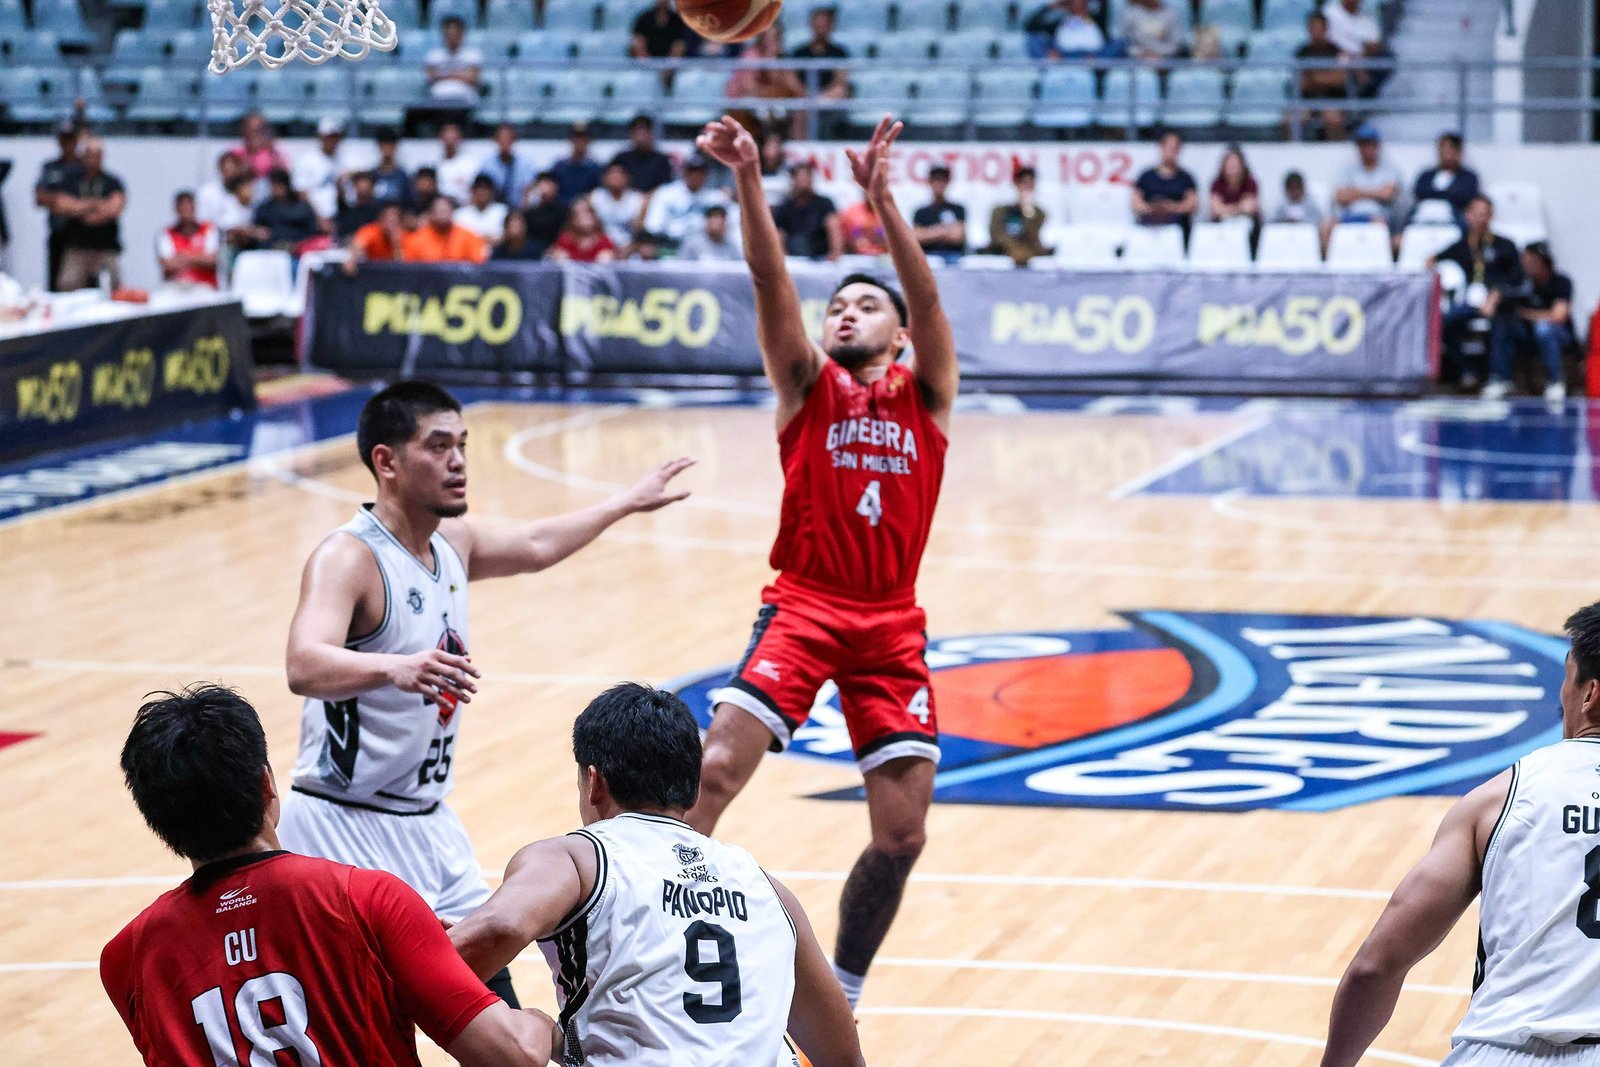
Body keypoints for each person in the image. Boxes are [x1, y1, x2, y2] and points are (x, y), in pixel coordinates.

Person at [281, 381, 692, 1008]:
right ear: (386, 462)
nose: (459, 461)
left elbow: (533, 546)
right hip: (342, 823)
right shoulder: (349, 556)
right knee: (362, 1012)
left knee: (490, 1005)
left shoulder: (453, 543)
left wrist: (626, 503)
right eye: (438, 445)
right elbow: (303, 663)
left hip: (428, 823)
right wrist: (393, 668)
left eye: (463, 445)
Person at [689, 113, 959, 1012]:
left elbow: (929, 302)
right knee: (711, 776)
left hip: (891, 620)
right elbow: (771, 279)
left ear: (899, 334)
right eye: (837, 302)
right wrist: (750, 180)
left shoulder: (928, 392)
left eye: (865, 303)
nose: (846, 309)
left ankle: (841, 988)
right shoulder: (807, 385)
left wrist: (884, 202)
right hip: (805, 605)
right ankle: (642, 940)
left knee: (902, 831)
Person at [100, 685, 556, 1067]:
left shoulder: (125, 959)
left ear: (156, 819)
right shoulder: (368, 899)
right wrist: (547, 1027)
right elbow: (513, 1055)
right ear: (267, 786)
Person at [450, 683, 866, 1067]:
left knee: (524, 1032)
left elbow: (499, 926)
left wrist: (426, 957)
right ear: (694, 789)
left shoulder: (577, 857)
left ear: (594, 782)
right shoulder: (768, 888)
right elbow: (843, 1056)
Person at [1321, 600, 1600, 1067]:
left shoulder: (1500, 797)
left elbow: (1377, 965)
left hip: (1504, 1052)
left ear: (1590, 693)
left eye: (1566, 677)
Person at [1430, 194, 1523, 396]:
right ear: (1467, 216)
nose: (1481, 218)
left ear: (1491, 216)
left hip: (1498, 302)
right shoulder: (1461, 245)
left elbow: (1517, 278)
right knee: (1445, 322)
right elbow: (1433, 260)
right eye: (1477, 214)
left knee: (1502, 322)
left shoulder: (1505, 245)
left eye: (1485, 214)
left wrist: (1495, 296)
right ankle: (1467, 371)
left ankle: (1500, 377)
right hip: (1471, 302)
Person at [1502, 242, 1574, 402]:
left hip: (1559, 336)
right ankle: (1502, 379)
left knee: (1544, 328)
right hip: (1527, 335)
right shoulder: (1521, 282)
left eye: (1530, 260)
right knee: (1505, 325)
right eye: (1524, 261)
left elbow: (1558, 316)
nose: (1526, 265)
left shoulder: (1561, 282)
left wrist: (1525, 314)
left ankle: (1555, 381)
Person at [54, 137, 127, 291]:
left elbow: (114, 209)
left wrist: (80, 209)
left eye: (97, 154)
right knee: (67, 287)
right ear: (83, 156)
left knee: (115, 290)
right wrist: (95, 204)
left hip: (105, 247)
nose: (93, 158)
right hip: (76, 246)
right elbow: (62, 205)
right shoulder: (70, 181)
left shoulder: (112, 182)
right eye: (90, 154)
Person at [728, 26, 809, 140]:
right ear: (760, 38)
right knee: (765, 112)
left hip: (775, 102)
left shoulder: (782, 58)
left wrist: (776, 64)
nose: (771, 41)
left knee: (799, 109)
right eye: (768, 37)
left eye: (775, 37)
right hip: (744, 104)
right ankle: (761, 148)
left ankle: (798, 150)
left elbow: (798, 90)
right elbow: (750, 90)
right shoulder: (751, 55)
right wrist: (779, 92)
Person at [643, 156, 730, 249]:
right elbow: (652, 226)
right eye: (691, 171)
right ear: (683, 173)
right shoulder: (666, 193)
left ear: (706, 175)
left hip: (704, 248)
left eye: (700, 172)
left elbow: (732, 229)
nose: (695, 175)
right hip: (670, 246)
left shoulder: (716, 198)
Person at [1332, 123, 1401, 228]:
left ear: (1377, 145)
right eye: (1363, 144)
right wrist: (1376, 192)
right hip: (1351, 215)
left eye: (1370, 144)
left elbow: (1387, 194)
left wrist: (1355, 192)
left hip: (1379, 215)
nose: (1367, 148)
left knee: (1379, 225)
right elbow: (1340, 196)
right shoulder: (1347, 168)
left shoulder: (1390, 168)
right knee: (1327, 226)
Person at [1132, 130, 1197, 237]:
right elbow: (1136, 203)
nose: (1172, 151)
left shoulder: (1186, 178)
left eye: (1175, 148)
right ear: (1161, 148)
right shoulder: (1146, 176)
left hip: (1177, 227)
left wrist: (1171, 208)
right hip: (1148, 226)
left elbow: (1192, 204)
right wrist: (1154, 208)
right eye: (1169, 147)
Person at [772, 161, 842, 261]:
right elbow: (779, 236)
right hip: (794, 257)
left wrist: (834, 253)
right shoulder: (785, 207)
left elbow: (834, 229)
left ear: (811, 179)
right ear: (793, 180)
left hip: (820, 256)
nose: (803, 182)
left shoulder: (825, 203)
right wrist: (783, 258)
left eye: (806, 178)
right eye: (800, 178)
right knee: (798, 242)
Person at [293, 116, 357, 224]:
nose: (332, 141)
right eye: (328, 137)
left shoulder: (344, 159)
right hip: (312, 219)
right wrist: (319, 219)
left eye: (335, 137)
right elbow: (302, 193)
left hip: (339, 216)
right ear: (320, 137)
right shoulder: (306, 160)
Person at [1295, 13, 1349, 140]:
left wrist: (1314, 77)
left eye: (1319, 28)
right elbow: (1302, 83)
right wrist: (1328, 77)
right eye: (1313, 28)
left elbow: (1340, 79)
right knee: (1290, 119)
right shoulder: (1300, 53)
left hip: (1333, 100)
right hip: (1307, 101)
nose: (1316, 32)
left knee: (1332, 118)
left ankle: (1336, 152)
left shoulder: (1338, 52)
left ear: (1326, 29)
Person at [1411, 132, 1481, 227]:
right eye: (1444, 149)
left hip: (1455, 216)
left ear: (1459, 152)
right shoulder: (1427, 175)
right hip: (1425, 214)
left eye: (1451, 149)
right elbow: (1419, 192)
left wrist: (1436, 194)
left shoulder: (1469, 177)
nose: (1447, 154)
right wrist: (1447, 194)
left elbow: (1465, 197)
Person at [1321, 0, 1388, 95]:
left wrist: (1356, 57)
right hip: (1335, 55)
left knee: (1386, 58)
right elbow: (1324, 38)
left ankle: (1366, 97)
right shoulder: (1330, 12)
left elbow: (1375, 44)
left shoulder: (1368, 15)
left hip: (1362, 59)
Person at [790, 5, 851, 109]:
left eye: (824, 24)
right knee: (796, 100)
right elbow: (791, 79)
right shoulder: (799, 52)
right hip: (804, 99)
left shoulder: (840, 52)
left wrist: (821, 98)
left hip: (830, 99)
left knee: (841, 90)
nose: (820, 28)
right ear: (811, 25)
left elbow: (841, 79)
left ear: (831, 26)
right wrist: (808, 95)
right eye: (818, 24)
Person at [157, 191, 220, 291]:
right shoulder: (166, 234)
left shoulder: (208, 229)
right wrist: (199, 257)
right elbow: (168, 265)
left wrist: (185, 257)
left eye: (189, 206)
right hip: (177, 287)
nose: (186, 210)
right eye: (182, 206)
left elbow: (212, 260)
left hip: (205, 286)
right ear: (176, 209)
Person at [248, 168, 321, 254]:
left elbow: (311, 232)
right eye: (274, 185)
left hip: (299, 251)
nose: (277, 189)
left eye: (279, 185)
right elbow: (258, 232)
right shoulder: (264, 209)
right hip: (271, 252)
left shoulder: (302, 207)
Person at [987, 166, 1049, 266]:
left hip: (1028, 257)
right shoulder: (1000, 211)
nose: (1027, 188)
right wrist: (1015, 250)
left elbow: (1032, 236)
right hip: (1003, 256)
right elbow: (996, 235)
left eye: (1031, 184)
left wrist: (1028, 211)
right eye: (1024, 183)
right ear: (1017, 185)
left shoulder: (1039, 214)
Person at [401, 196, 489, 263]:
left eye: (446, 210)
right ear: (431, 214)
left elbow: (480, 265)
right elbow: (408, 268)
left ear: (452, 212)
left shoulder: (468, 237)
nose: (443, 214)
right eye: (439, 211)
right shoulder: (416, 239)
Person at [911, 165, 967, 263]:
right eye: (935, 180)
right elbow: (917, 237)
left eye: (942, 180)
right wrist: (945, 230)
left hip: (952, 256)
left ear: (947, 183)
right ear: (929, 182)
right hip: (928, 256)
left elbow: (957, 236)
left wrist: (928, 232)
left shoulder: (958, 209)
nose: (938, 184)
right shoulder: (920, 212)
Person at [478, 123, 539, 209]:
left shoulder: (525, 163)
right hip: (493, 208)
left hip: (518, 208)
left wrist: (522, 212)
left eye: (508, 139)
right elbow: (482, 189)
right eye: (501, 139)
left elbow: (528, 190)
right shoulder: (487, 164)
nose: (504, 142)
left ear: (514, 140)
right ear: (496, 140)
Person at [610, 115, 676, 194]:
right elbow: (609, 181)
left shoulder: (661, 160)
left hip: (655, 201)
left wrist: (647, 199)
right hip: (626, 201)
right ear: (631, 135)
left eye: (643, 132)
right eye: (637, 132)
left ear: (651, 134)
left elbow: (667, 186)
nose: (640, 137)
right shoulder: (621, 158)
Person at [591, 162, 646, 252]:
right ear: (604, 178)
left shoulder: (638, 200)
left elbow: (639, 231)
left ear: (627, 177)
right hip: (601, 247)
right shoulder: (595, 197)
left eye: (619, 174)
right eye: (612, 174)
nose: (615, 177)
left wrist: (631, 247)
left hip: (629, 247)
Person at [426, 15, 483, 103]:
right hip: (438, 100)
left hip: (464, 100)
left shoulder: (473, 55)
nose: (452, 38)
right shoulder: (433, 55)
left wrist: (444, 74)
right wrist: (460, 74)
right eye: (448, 34)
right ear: (443, 34)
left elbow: (473, 78)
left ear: (462, 34)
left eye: (455, 34)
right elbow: (431, 77)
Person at [1208, 145, 1260, 233]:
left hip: (1247, 229)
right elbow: (1215, 210)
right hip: (1222, 229)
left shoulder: (1249, 183)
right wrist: (1238, 208)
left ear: (1242, 166)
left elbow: (1249, 207)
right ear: (1223, 166)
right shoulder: (1217, 184)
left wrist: (1226, 209)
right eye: (1229, 164)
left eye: (1235, 165)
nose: (1232, 168)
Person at [549, 199, 618, 262]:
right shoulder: (566, 239)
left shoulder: (602, 239)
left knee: (606, 256)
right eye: (580, 216)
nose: (585, 219)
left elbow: (608, 259)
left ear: (595, 218)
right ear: (573, 220)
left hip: (597, 274)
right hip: (571, 273)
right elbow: (558, 256)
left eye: (588, 215)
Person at [346, 201, 408, 271]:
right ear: (381, 219)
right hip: (374, 274)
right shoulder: (372, 231)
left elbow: (403, 266)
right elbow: (358, 245)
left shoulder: (405, 235)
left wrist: (396, 245)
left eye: (395, 220)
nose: (391, 224)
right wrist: (352, 260)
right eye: (389, 219)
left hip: (393, 275)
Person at [232, 111, 290, 181]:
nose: (254, 133)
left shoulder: (276, 155)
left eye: (259, 129)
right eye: (250, 129)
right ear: (243, 130)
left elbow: (283, 182)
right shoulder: (234, 154)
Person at [1119, 0, 1183, 62]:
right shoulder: (1131, 14)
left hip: (1164, 61)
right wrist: (1139, 52)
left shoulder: (1171, 15)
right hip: (1136, 60)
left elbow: (1175, 45)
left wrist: (1159, 53)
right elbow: (1125, 43)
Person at [196, 150, 246, 230]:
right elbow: (202, 220)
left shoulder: (245, 192)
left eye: (233, 167)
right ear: (220, 168)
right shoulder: (207, 192)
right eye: (226, 168)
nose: (229, 171)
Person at [522, 171, 568, 256]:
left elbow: (566, 233)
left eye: (548, 184)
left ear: (555, 187)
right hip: (534, 252)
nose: (545, 188)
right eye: (541, 184)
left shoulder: (565, 211)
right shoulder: (529, 213)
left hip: (558, 250)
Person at [435, 123, 480, 207]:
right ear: (441, 139)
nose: (450, 141)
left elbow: (475, 191)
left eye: (453, 137)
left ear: (460, 139)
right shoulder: (436, 164)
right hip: (443, 208)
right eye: (446, 137)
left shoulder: (470, 163)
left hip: (465, 207)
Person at [454, 175, 509, 244]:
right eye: (478, 189)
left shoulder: (502, 211)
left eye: (485, 189)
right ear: (472, 191)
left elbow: (506, 236)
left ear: (492, 191)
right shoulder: (460, 214)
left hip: (496, 253)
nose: (482, 192)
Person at [371, 128, 413, 209]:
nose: (386, 148)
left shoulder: (403, 176)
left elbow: (408, 204)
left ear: (395, 146)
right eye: (383, 144)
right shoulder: (372, 175)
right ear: (379, 146)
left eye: (390, 144)